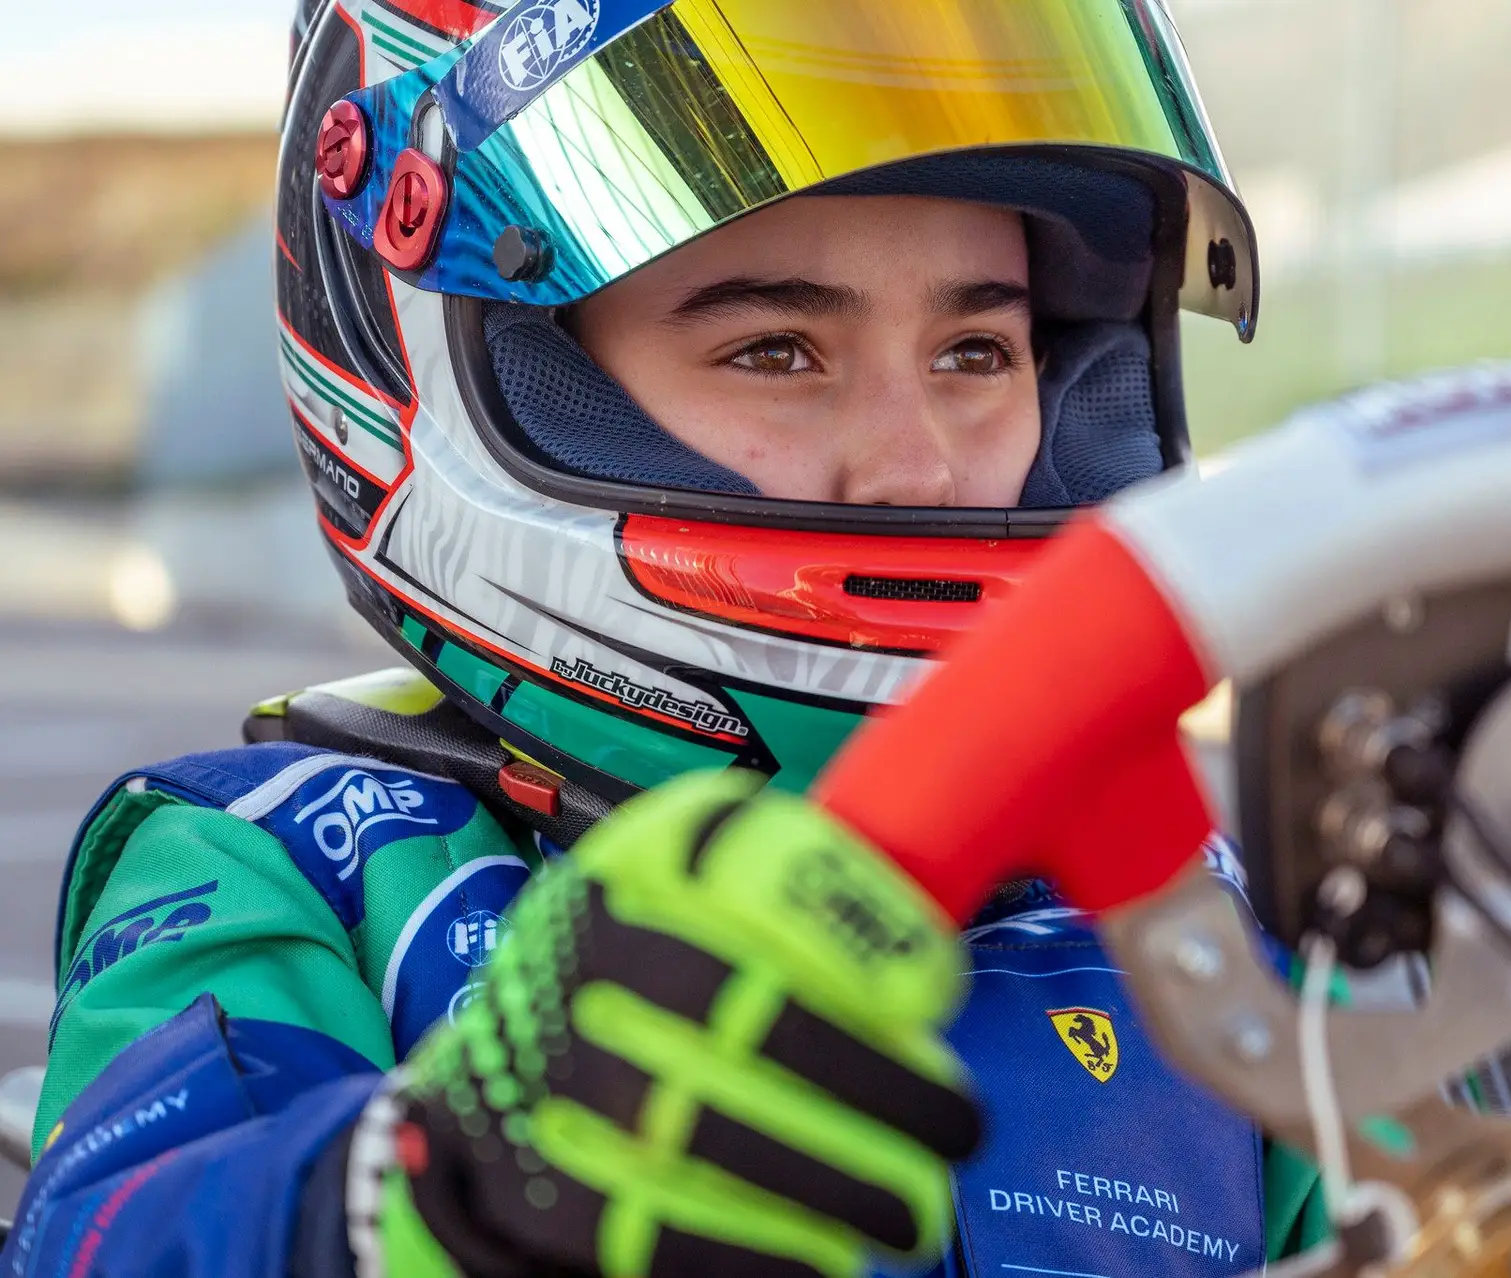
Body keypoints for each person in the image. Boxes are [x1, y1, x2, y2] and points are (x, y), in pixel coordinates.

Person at [0, 2, 1323, 1275]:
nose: (919, 466)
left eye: (977, 352)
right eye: (777, 351)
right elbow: (106, 1231)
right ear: (491, 366)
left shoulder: (1201, 923)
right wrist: (438, 1194)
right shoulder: (299, 864)